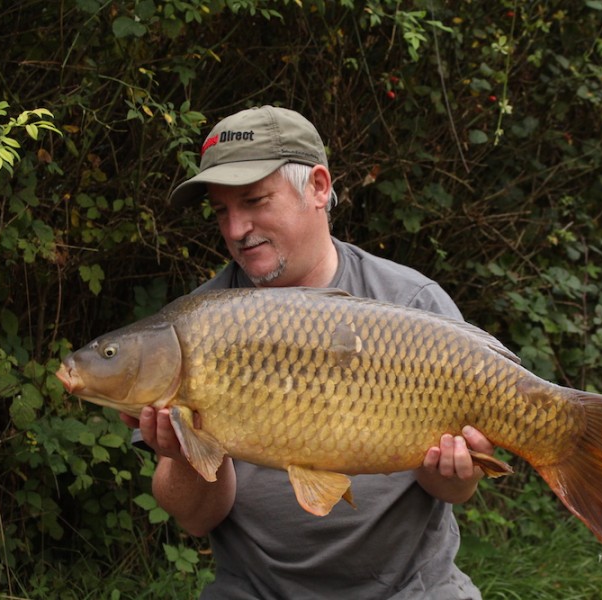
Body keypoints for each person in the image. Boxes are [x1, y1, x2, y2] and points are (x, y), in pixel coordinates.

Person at [121, 105, 494, 599]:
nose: (236, 229)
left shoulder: (413, 306)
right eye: (221, 211)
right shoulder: (192, 326)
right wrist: (186, 454)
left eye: (254, 201)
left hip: (410, 589)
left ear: (318, 187)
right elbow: (195, 519)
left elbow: (455, 491)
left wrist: (450, 471)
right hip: (257, 591)